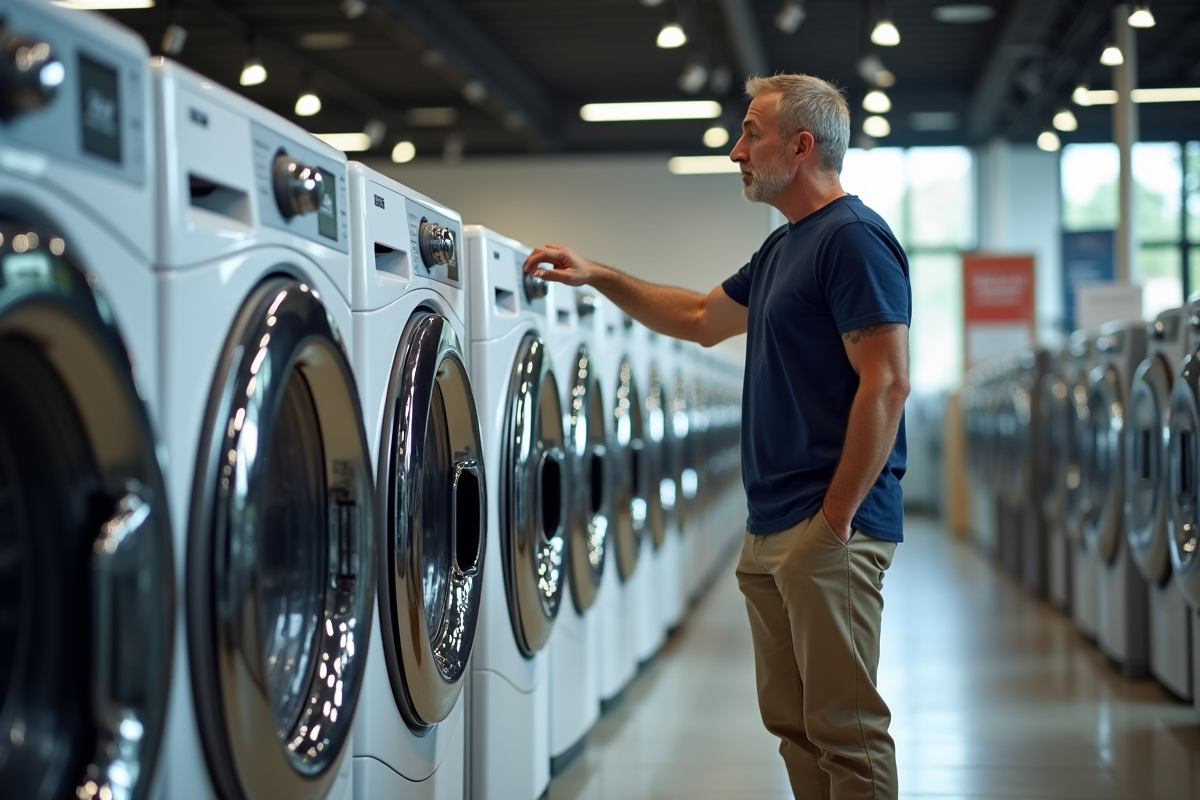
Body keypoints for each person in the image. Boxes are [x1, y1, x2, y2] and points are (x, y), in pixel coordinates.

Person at [522, 73, 911, 800]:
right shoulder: (784, 249)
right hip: (772, 527)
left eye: (749, 134)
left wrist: (836, 519)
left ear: (799, 146)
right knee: (795, 726)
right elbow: (701, 317)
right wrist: (598, 274)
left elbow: (886, 383)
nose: (736, 151)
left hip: (827, 529)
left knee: (846, 733)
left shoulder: (852, 240)